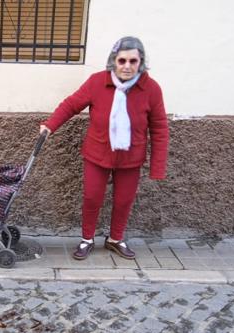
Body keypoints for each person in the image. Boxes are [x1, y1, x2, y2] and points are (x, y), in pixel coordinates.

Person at [39, 36, 169, 261]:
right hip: (97, 154)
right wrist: (50, 125)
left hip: (131, 157)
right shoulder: (97, 82)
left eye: (133, 61)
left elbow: (159, 128)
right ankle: (87, 239)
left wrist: (157, 166)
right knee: (92, 197)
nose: (127, 66)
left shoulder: (151, 88)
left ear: (141, 62)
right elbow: (71, 105)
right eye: (122, 61)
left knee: (124, 200)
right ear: (113, 61)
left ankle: (115, 239)